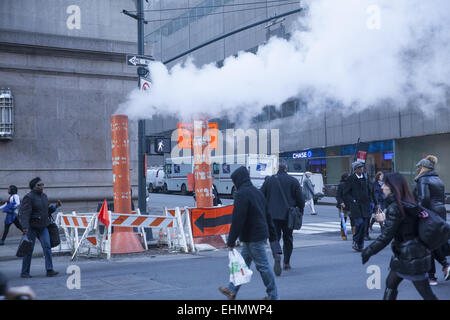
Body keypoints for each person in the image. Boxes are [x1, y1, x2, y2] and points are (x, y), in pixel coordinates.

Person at [361, 173, 438, 300]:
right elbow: (403, 227)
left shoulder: (395, 207)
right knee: (390, 283)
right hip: (408, 253)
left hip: (410, 256)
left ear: (392, 187)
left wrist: (368, 251)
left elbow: (386, 236)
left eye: (385, 184)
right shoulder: (409, 202)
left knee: (426, 293)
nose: (382, 187)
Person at [218, 166, 278, 300]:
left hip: (253, 237)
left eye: (234, 181)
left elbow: (238, 219)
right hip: (257, 235)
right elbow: (268, 215)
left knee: (263, 267)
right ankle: (232, 290)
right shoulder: (258, 192)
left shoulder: (241, 194)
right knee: (242, 265)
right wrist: (273, 236)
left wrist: (231, 241)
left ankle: (274, 296)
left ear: (238, 180)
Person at [260, 161, 305, 275]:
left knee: (274, 238)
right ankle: (286, 262)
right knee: (288, 238)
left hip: (272, 215)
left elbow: (261, 196)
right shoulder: (293, 181)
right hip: (288, 215)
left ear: (277, 168)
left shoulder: (269, 180)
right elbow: (301, 200)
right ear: (286, 168)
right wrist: (300, 211)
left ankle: (277, 255)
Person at [413, 155, 449, 285]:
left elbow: (424, 199)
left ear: (424, 168)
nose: (417, 169)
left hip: (428, 215)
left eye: (419, 167)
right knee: (434, 243)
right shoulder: (438, 179)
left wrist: (418, 212)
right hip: (440, 214)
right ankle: (444, 266)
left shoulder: (423, 180)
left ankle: (432, 276)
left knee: (428, 245)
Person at [19, 177, 61, 278]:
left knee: (47, 247)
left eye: (42, 184)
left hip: (43, 227)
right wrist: (25, 227)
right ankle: (24, 272)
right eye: (39, 185)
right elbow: (25, 213)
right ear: (33, 187)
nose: (42, 186)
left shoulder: (44, 196)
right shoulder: (28, 197)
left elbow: (46, 211)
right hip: (32, 228)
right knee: (29, 249)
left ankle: (49, 270)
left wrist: (55, 206)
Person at [344, 161, 378, 252]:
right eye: (359, 168)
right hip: (356, 206)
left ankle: (360, 245)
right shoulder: (351, 179)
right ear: (355, 170)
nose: (361, 169)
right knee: (359, 224)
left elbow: (371, 191)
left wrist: (376, 203)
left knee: (364, 226)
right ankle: (355, 241)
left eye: (362, 167)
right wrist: (353, 200)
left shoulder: (366, 178)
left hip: (366, 205)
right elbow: (346, 193)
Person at [336, 173, 352, 240]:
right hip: (343, 205)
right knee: (343, 220)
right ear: (345, 178)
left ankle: (354, 233)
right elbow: (338, 195)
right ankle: (343, 235)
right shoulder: (341, 185)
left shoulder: (350, 184)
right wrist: (341, 202)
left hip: (350, 205)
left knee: (352, 219)